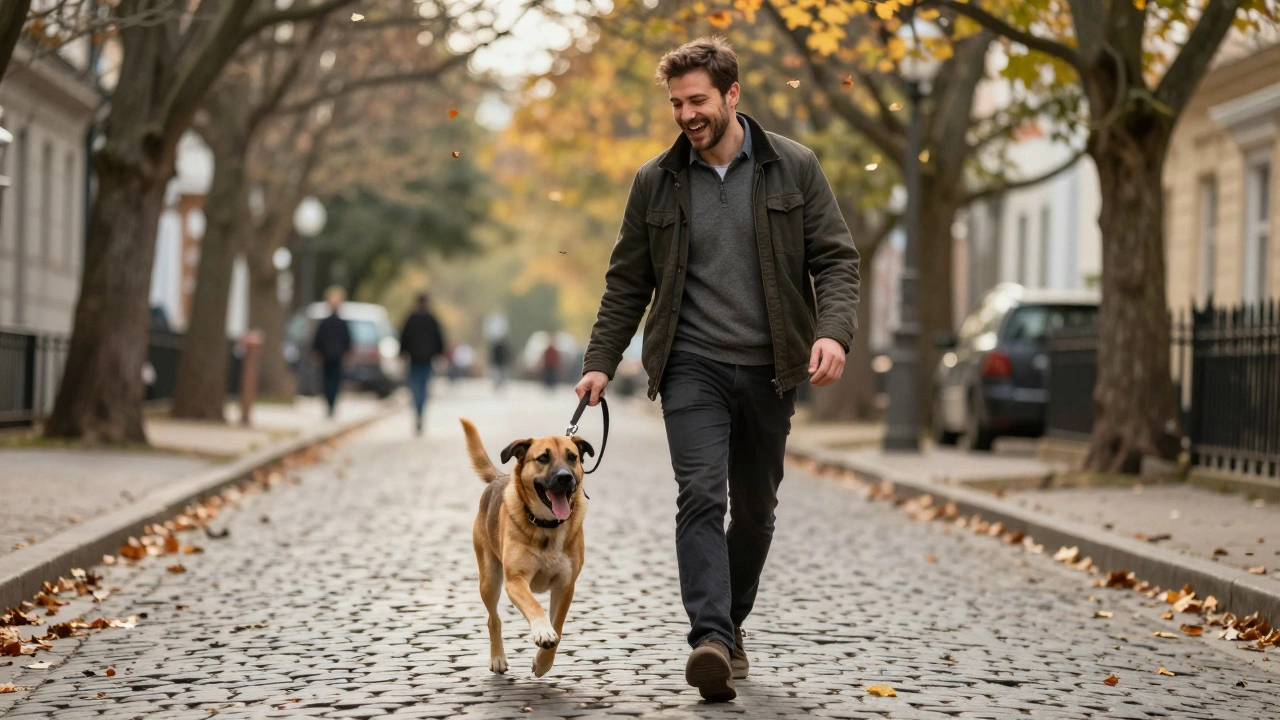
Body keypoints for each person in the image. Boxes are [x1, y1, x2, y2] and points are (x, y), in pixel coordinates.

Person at [574, 37, 860, 703]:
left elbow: (836, 260)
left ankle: (729, 627)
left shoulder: (795, 167)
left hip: (771, 367)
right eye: (676, 103)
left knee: (755, 512)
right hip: (691, 364)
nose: (685, 114)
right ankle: (708, 637)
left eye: (697, 100)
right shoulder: (657, 181)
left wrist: (834, 334)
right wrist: (599, 362)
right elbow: (627, 282)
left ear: (733, 95)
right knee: (701, 494)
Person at [399, 292, 446, 436]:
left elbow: (403, 337)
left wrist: (402, 352)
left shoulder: (411, 319)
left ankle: (417, 411)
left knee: (415, 387)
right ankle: (420, 412)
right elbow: (439, 338)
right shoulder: (432, 319)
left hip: (414, 359)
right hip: (427, 359)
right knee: (424, 387)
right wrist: (439, 354)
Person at [312, 286, 352, 418]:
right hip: (337, 356)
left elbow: (317, 339)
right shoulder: (342, 323)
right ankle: (331, 404)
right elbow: (348, 341)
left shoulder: (325, 322)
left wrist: (316, 351)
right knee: (335, 381)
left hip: (327, 356)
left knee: (327, 381)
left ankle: (329, 403)